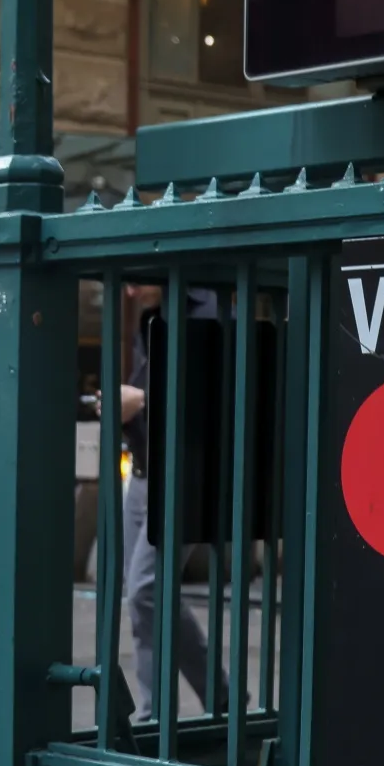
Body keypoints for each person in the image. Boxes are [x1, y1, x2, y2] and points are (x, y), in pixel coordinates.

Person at [117, 291, 228, 722]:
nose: (127, 290)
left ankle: (212, 699)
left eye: (134, 278)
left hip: (185, 477)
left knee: (147, 589)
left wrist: (140, 399)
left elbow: (216, 395)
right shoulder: (150, 316)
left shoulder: (213, 313)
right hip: (143, 475)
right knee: (143, 596)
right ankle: (156, 714)